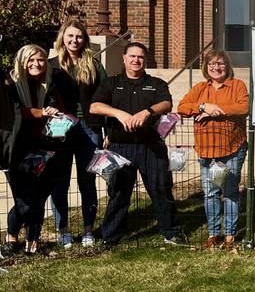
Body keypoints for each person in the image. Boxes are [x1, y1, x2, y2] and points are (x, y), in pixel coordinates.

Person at [90, 42, 183, 247]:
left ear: (145, 60)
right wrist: (118, 113)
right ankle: (110, 238)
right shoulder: (111, 83)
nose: (136, 60)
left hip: (150, 145)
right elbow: (95, 106)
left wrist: (147, 112)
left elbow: (167, 104)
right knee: (119, 193)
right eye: (132, 56)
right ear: (124, 59)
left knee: (161, 189)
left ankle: (171, 232)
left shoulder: (156, 83)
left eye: (140, 57)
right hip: (120, 146)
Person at [3, 44, 72, 255]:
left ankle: (33, 242)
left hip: (46, 149)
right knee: (24, 202)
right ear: (22, 61)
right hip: (17, 150)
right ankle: (11, 237)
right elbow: (14, 112)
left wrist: (55, 111)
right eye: (31, 60)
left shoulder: (49, 86)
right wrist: (40, 112)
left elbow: (60, 110)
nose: (36, 64)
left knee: (40, 197)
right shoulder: (10, 85)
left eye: (40, 60)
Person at [177, 49, 248, 249]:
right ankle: (213, 233)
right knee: (210, 193)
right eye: (211, 64)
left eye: (220, 64)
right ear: (206, 68)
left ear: (227, 67)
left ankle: (230, 234)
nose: (216, 68)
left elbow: (244, 107)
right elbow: (182, 107)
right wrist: (203, 106)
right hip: (207, 149)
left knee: (230, 191)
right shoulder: (200, 88)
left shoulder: (237, 85)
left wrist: (215, 111)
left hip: (232, 147)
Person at [48, 20, 107, 248]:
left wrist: (106, 129)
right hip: (61, 128)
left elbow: (105, 94)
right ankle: (63, 230)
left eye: (79, 37)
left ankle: (88, 230)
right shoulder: (52, 65)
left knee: (87, 181)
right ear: (63, 37)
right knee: (59, 182)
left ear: (85, 40)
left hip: (88, 127)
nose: (74, 40)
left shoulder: (93, 65)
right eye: (70, 36)